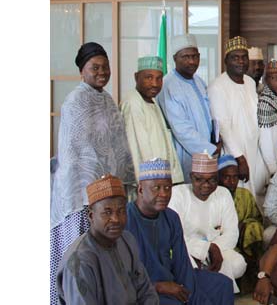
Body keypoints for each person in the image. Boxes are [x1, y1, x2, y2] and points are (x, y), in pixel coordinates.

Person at [50, 42, 135, 305]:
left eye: (105, 67)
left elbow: (118, 146)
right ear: (82, 70)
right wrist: (95, 194)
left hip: (106, 197)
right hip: (82, 198)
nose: (102, 72)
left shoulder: (107, 99)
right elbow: (77, 153)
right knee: (81, 261)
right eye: (95, 67)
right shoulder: (76, 100)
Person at [126, 159, 235, 305]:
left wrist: (191, 295)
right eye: (156, 188)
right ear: (140, 189)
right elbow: (120, 276)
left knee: (222, 284)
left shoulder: (171, 217)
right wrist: (158, 286)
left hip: (171, 279)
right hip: (142, 289)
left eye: (167, 188)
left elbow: (182, 263)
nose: (164, 194)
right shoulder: (125, 219)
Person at [57, 175, 158, 305]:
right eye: (107, 212)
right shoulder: (79, 262)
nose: (116, 219)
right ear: (91, 216)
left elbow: (146, 291)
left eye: (121, 211)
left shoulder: (127, 240)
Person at [169, 153, 246, 293]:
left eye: (212, 180)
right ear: (191, 176)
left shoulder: (223, 194)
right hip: (186, 251)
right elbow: (175, 237)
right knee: (188, 267)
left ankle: (215, 292)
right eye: (199, 179)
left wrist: (213, 249)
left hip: (217, 249)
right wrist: (203, 249)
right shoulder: (178, 194)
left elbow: (232, 233)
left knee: (238, 264)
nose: (206, 185)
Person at [208, 36, 266, 207]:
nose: (241, 61)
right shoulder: (217, 87)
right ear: (226, 60)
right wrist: (240, 159)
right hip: (234, 153)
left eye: (244, 57)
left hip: (253, 149)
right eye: (235, 57)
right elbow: (223, 127)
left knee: (253, 196)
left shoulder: (249, 82)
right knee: (237, 197)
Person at [158, 34, 221, 182]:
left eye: (195, 56)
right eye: (185, 57)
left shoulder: (199, 81)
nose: (191, 61)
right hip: (186, 154)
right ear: (175, 59)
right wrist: (209, 149)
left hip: (208, 151)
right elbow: (181, 129)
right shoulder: (168, 85)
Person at [120, 55, 184, 184]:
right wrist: (151, 182)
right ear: (136, 77)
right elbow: (138, 148)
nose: (155, 84)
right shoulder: (133, 102)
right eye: (149, 77)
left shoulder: (152, 101)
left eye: (159, 78)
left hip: (159, 179)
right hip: (147, 182)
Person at [218, 155, 265, 264]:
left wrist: (242, 226)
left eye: (235, 177)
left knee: (254, 227)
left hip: (245, 236)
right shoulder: (213, 196)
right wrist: (231, 230)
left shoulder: (245, 194)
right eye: (227, 177)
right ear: (218, 177)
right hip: (222, 239)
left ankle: (258, 264)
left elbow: (257, 219)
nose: (232, 181)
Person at [258, 60, 277, 176]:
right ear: (266, 80)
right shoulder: (265, 103)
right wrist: (273, 169)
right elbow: (264, 141)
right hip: (266, 165)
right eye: (275, 78)